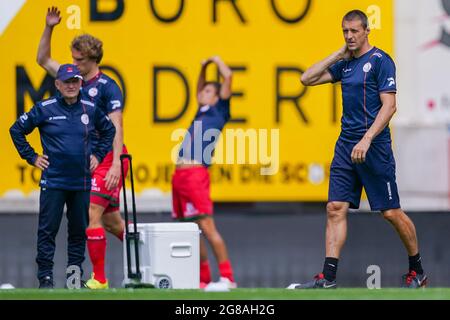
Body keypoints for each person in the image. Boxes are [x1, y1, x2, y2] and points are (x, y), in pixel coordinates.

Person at [288, 10, 427, 289]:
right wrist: (339, 53)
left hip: (374, 147)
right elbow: (306, 78)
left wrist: (366, 138)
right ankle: (327, 278)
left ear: (366, 31)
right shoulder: (346, 63)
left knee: (390, 212)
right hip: (346, 145)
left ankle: (418, 270)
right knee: (335, 207)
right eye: (345, 32)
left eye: (354, 31)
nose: (350, 36)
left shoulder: (380, 61)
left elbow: (390, 106)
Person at [37, 7, 128, 289]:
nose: (73, 63)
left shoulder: (108, 87)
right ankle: (152, 255)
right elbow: (42, 59)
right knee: (113, 224)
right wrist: (49, 27)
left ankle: (99, 280)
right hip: (87, 160)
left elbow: (117, 126)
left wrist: (114, 164)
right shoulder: (70, 79)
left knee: (90, 213)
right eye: (73, 58)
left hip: (107, 158)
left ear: (92, 60)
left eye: (79, 60)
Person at [10, 64, 115, 289]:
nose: (71, 86)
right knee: (47, 231)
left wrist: (97, 154)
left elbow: (109, 131)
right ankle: (45, 279)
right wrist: (32, 157)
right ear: (57, 84)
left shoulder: (90, 108)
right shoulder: (44, 108)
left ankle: (73, 279)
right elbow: (16, 130)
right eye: (66, 82)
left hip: (81, 182)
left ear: (80, 84)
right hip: (54, 181)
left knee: (78, 232)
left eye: (75, 81)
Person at [172, 56, 236, 289]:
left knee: (207, 227)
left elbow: (228, 76)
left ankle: (228, 277)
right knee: (190, 229)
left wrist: (216, 61)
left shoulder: (220, 110)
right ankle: (203, 279)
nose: (203, 93)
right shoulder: (202, 109)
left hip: (195, 175)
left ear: (217, 96)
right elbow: (198, 88)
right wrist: (202, 68)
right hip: (179, 176)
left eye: (209, 90)